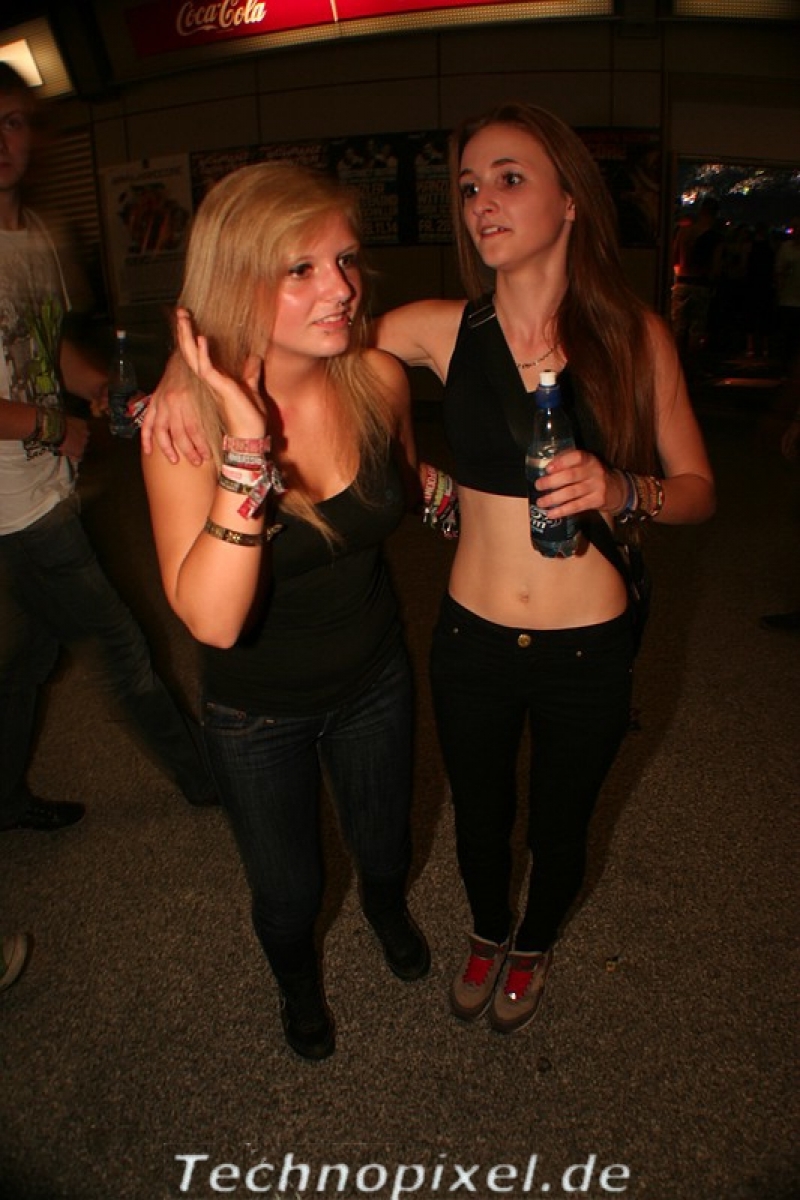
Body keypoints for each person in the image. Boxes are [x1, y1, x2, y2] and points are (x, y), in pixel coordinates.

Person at [143, 101, 716, 1036]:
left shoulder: (634, 336)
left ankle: (532, 942)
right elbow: (291, 344)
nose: (482, 201)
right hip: (469, 637)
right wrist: (183, 373)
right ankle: (487, 933)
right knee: (478, 820)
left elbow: (697, 491)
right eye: (469, 186)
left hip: (589, 641)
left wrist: (626, 490)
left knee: (560, 823)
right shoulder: (436, 330)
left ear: (572, 199)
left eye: (510, 178)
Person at [140, 161, 430, 1062]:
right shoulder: (185, 430)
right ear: (235, 283)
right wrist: (247, 446)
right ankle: (298, 987)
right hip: (256, 709)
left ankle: (386, 910)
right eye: (299, 269)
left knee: (385, 848)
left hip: (376, 674)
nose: (340, 288)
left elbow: (408, 493)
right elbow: (214, 623)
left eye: (345, 259)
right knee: (289, 893)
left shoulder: (378, 379)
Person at [0, 63, 217, 834]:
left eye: (13, 122)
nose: (1, 141)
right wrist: (53, 427)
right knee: (124, 646)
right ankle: (211, 780)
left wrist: (94, 387)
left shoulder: (39, 239)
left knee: (27, 660)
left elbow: (44, 348)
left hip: (44, 484)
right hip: (16, 507)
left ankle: (3, 798)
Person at [670, 194, 723, 370]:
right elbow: (716, 267)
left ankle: (675, 364)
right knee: (696, 328)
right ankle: (692, 367)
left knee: (678, 326)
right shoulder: (715, 237)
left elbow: (674, 258)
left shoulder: (684, 232)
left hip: (681, 282)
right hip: (701, 284)